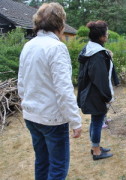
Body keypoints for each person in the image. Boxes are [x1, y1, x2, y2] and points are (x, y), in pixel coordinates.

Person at [17, 3, 82, 179]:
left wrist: (26, 105)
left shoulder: (28, 45)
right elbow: (64, 89)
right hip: (52, 120)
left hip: (32, 116)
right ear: (60, 24)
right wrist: (75, 121)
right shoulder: (57, 47)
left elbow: (21, 83)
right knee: (58, 167)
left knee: (42, 161)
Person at [77, 20, 114, 160]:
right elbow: (100, 79)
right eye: (107, 33)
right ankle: (97, 152)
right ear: (102, 37)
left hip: (90, 92)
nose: (108, 35)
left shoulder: (89, 49)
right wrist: (107, 96)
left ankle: (95, 146)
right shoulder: (97, 54)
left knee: (95, 121)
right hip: (95, 94)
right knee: (98, 121)